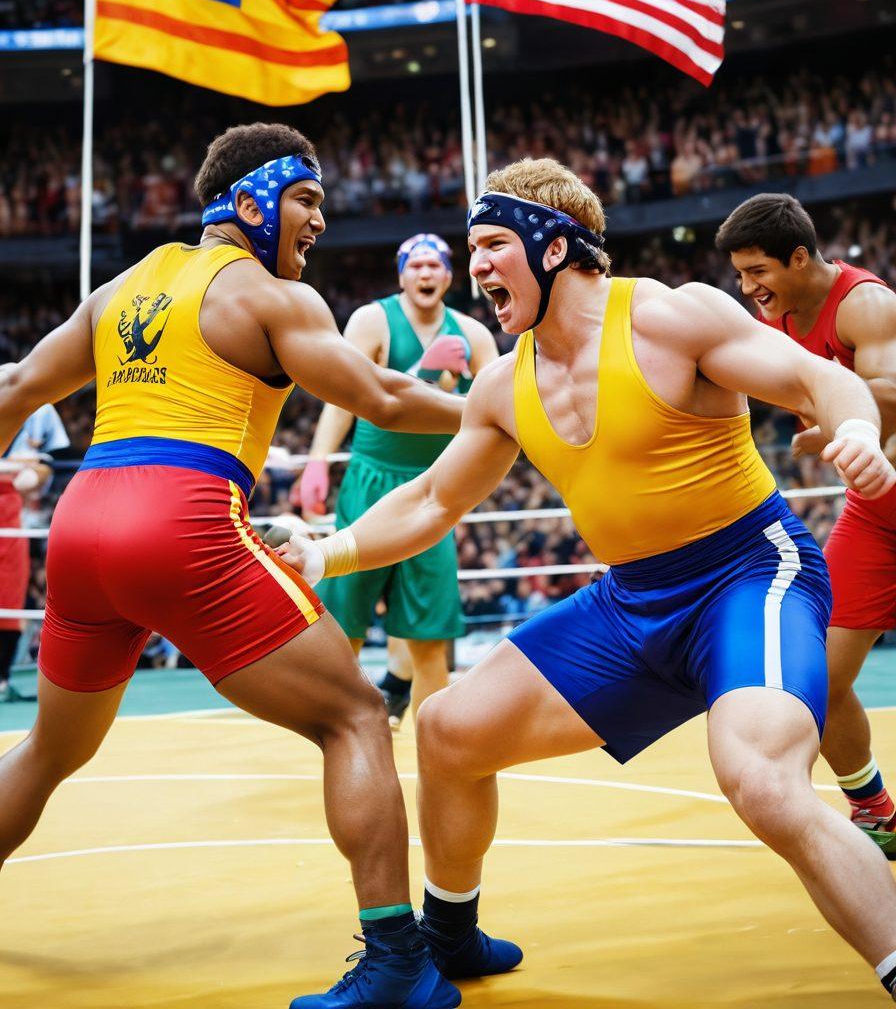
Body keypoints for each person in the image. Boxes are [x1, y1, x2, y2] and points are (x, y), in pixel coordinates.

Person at [278, 157, 896, 1001]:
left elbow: (819, 378)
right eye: (473, 248)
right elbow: (428, 499)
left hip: (748, 572)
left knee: (761, 780)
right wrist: (327, 551)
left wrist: (857, 427)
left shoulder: (673, 315)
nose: (476, 265)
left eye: (493, 243)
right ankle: (450, 937)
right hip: (632, 600)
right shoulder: (503, 383)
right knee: (449, 729)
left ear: (556, 246)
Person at [0, 122, 462, 1009]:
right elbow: (381, 396)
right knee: (358, 716)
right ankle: (400, 962)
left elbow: (18, 387)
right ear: (252, 200)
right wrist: (503, 403)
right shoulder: (270, 296)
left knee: (51, 747)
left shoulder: (118, 290)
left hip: (84, 524)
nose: (321, 220)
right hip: (181, 520)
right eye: (308, 199)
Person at [716, 192, 896, 854]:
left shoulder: (865, 304)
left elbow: (893, 395)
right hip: (876, 517)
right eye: (739, 273)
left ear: (799, 256)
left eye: (757, 270)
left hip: (884, 495)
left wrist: (833, 427)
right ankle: (873, 806)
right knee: (822, 674)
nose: (747, 286)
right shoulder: (776, 320)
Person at [296, 233, 498, 724]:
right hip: (369, 480)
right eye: (416, 266)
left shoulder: (474, 335)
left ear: (449, 274)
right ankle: (341, 732)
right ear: (401, 275)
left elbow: (500, 411)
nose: (425, 274)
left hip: (435, 486)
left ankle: (435, 740)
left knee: (430, 633)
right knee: (346, 622)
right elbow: (347, 395)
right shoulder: (372, 320)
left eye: (434, 265)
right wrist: (319, 460)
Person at [0, 403, 69, 702]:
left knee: (10, 594)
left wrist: (31, 470)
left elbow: (50, 465)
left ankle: (2, 677)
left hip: (13, 515)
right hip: (13, 506)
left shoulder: (41, 413)